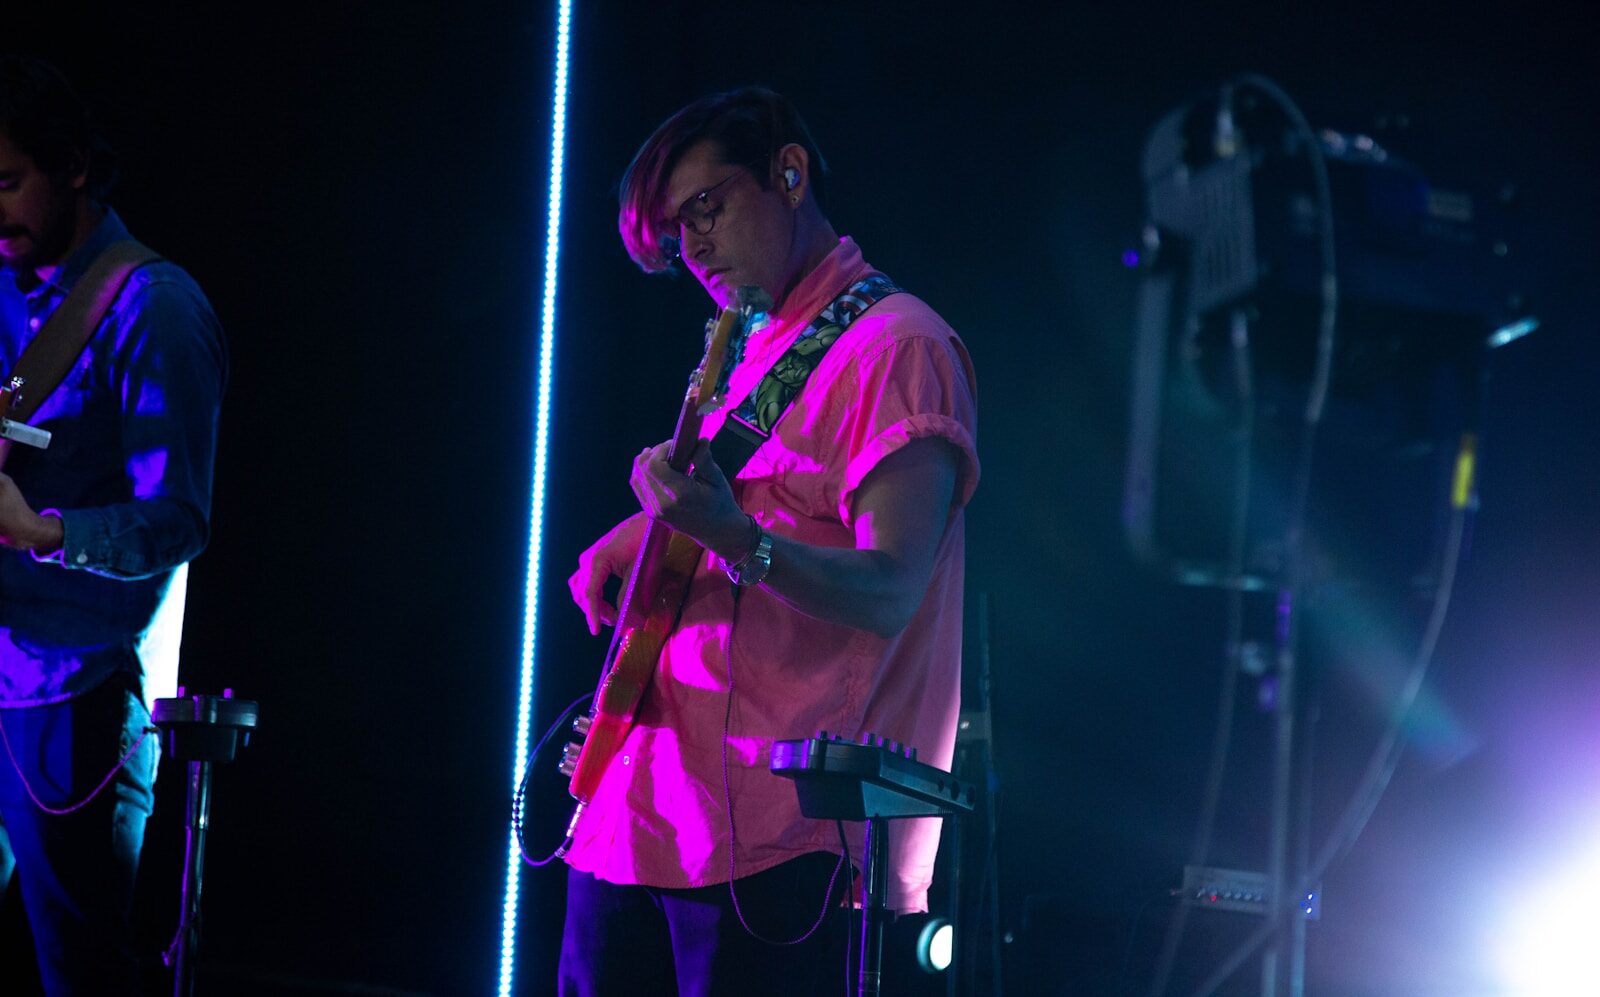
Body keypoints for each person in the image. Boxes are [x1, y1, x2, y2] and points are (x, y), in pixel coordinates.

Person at [560, 87, 979, 995]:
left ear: (788, 175)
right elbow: (769, 499)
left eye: (705, 209)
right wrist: (638, 537)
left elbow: (889, 587)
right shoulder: (753, 349)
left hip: (778, 835)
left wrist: (732, 535)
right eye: (677, 235)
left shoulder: (898, 347)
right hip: (640, 817)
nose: (694, 247)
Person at [0, 55, 226, 994]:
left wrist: (43, 531)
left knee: (81, 971)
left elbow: (177, 520)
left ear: (77, 167)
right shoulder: (8, 285)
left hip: (77, 696)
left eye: (8, 182)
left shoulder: (154, 307)